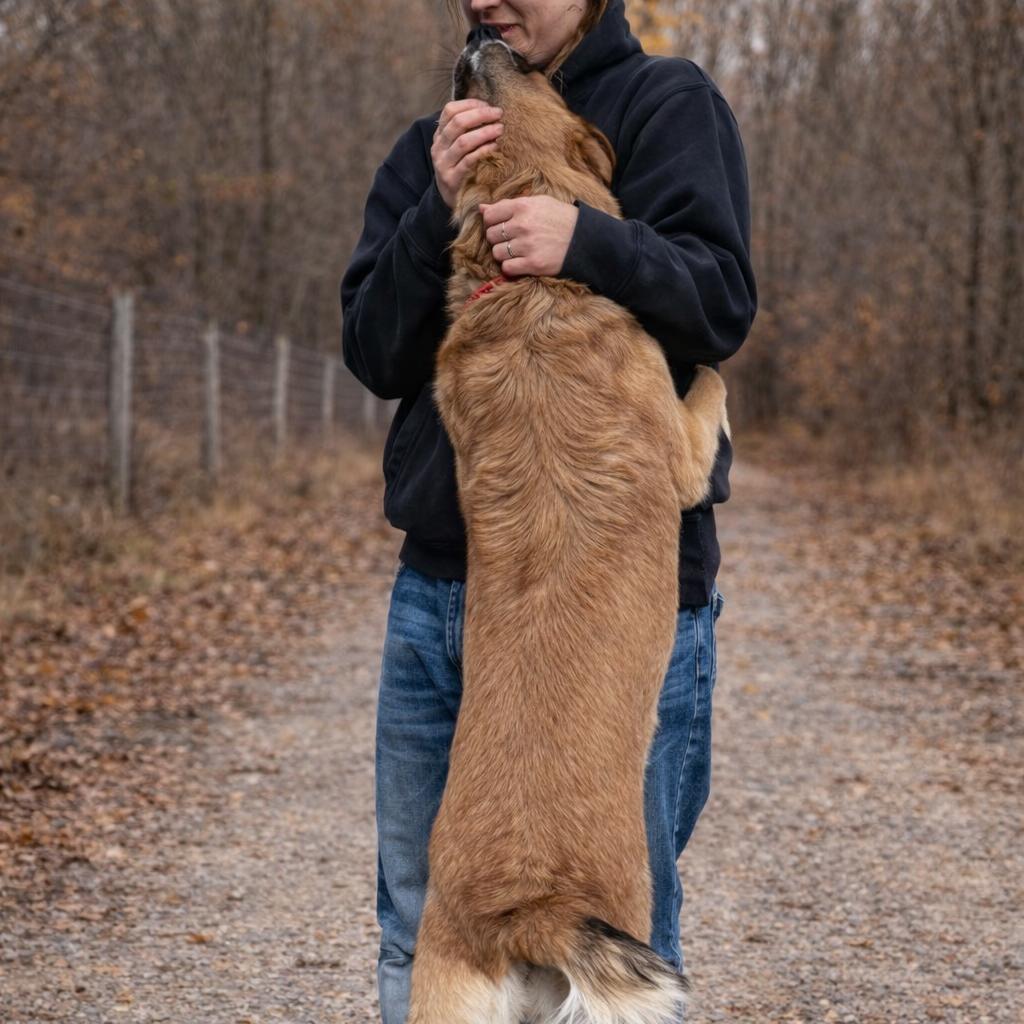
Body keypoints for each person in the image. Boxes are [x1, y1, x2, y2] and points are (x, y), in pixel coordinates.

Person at [340, 2, 756, 1020]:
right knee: (424, 921)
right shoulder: (432, 141)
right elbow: (372, 350)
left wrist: (589, 240)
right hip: (440, 597)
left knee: (610, 919)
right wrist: (434, 207)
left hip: (607, 610)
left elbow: (719, 304)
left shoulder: (666, 103)